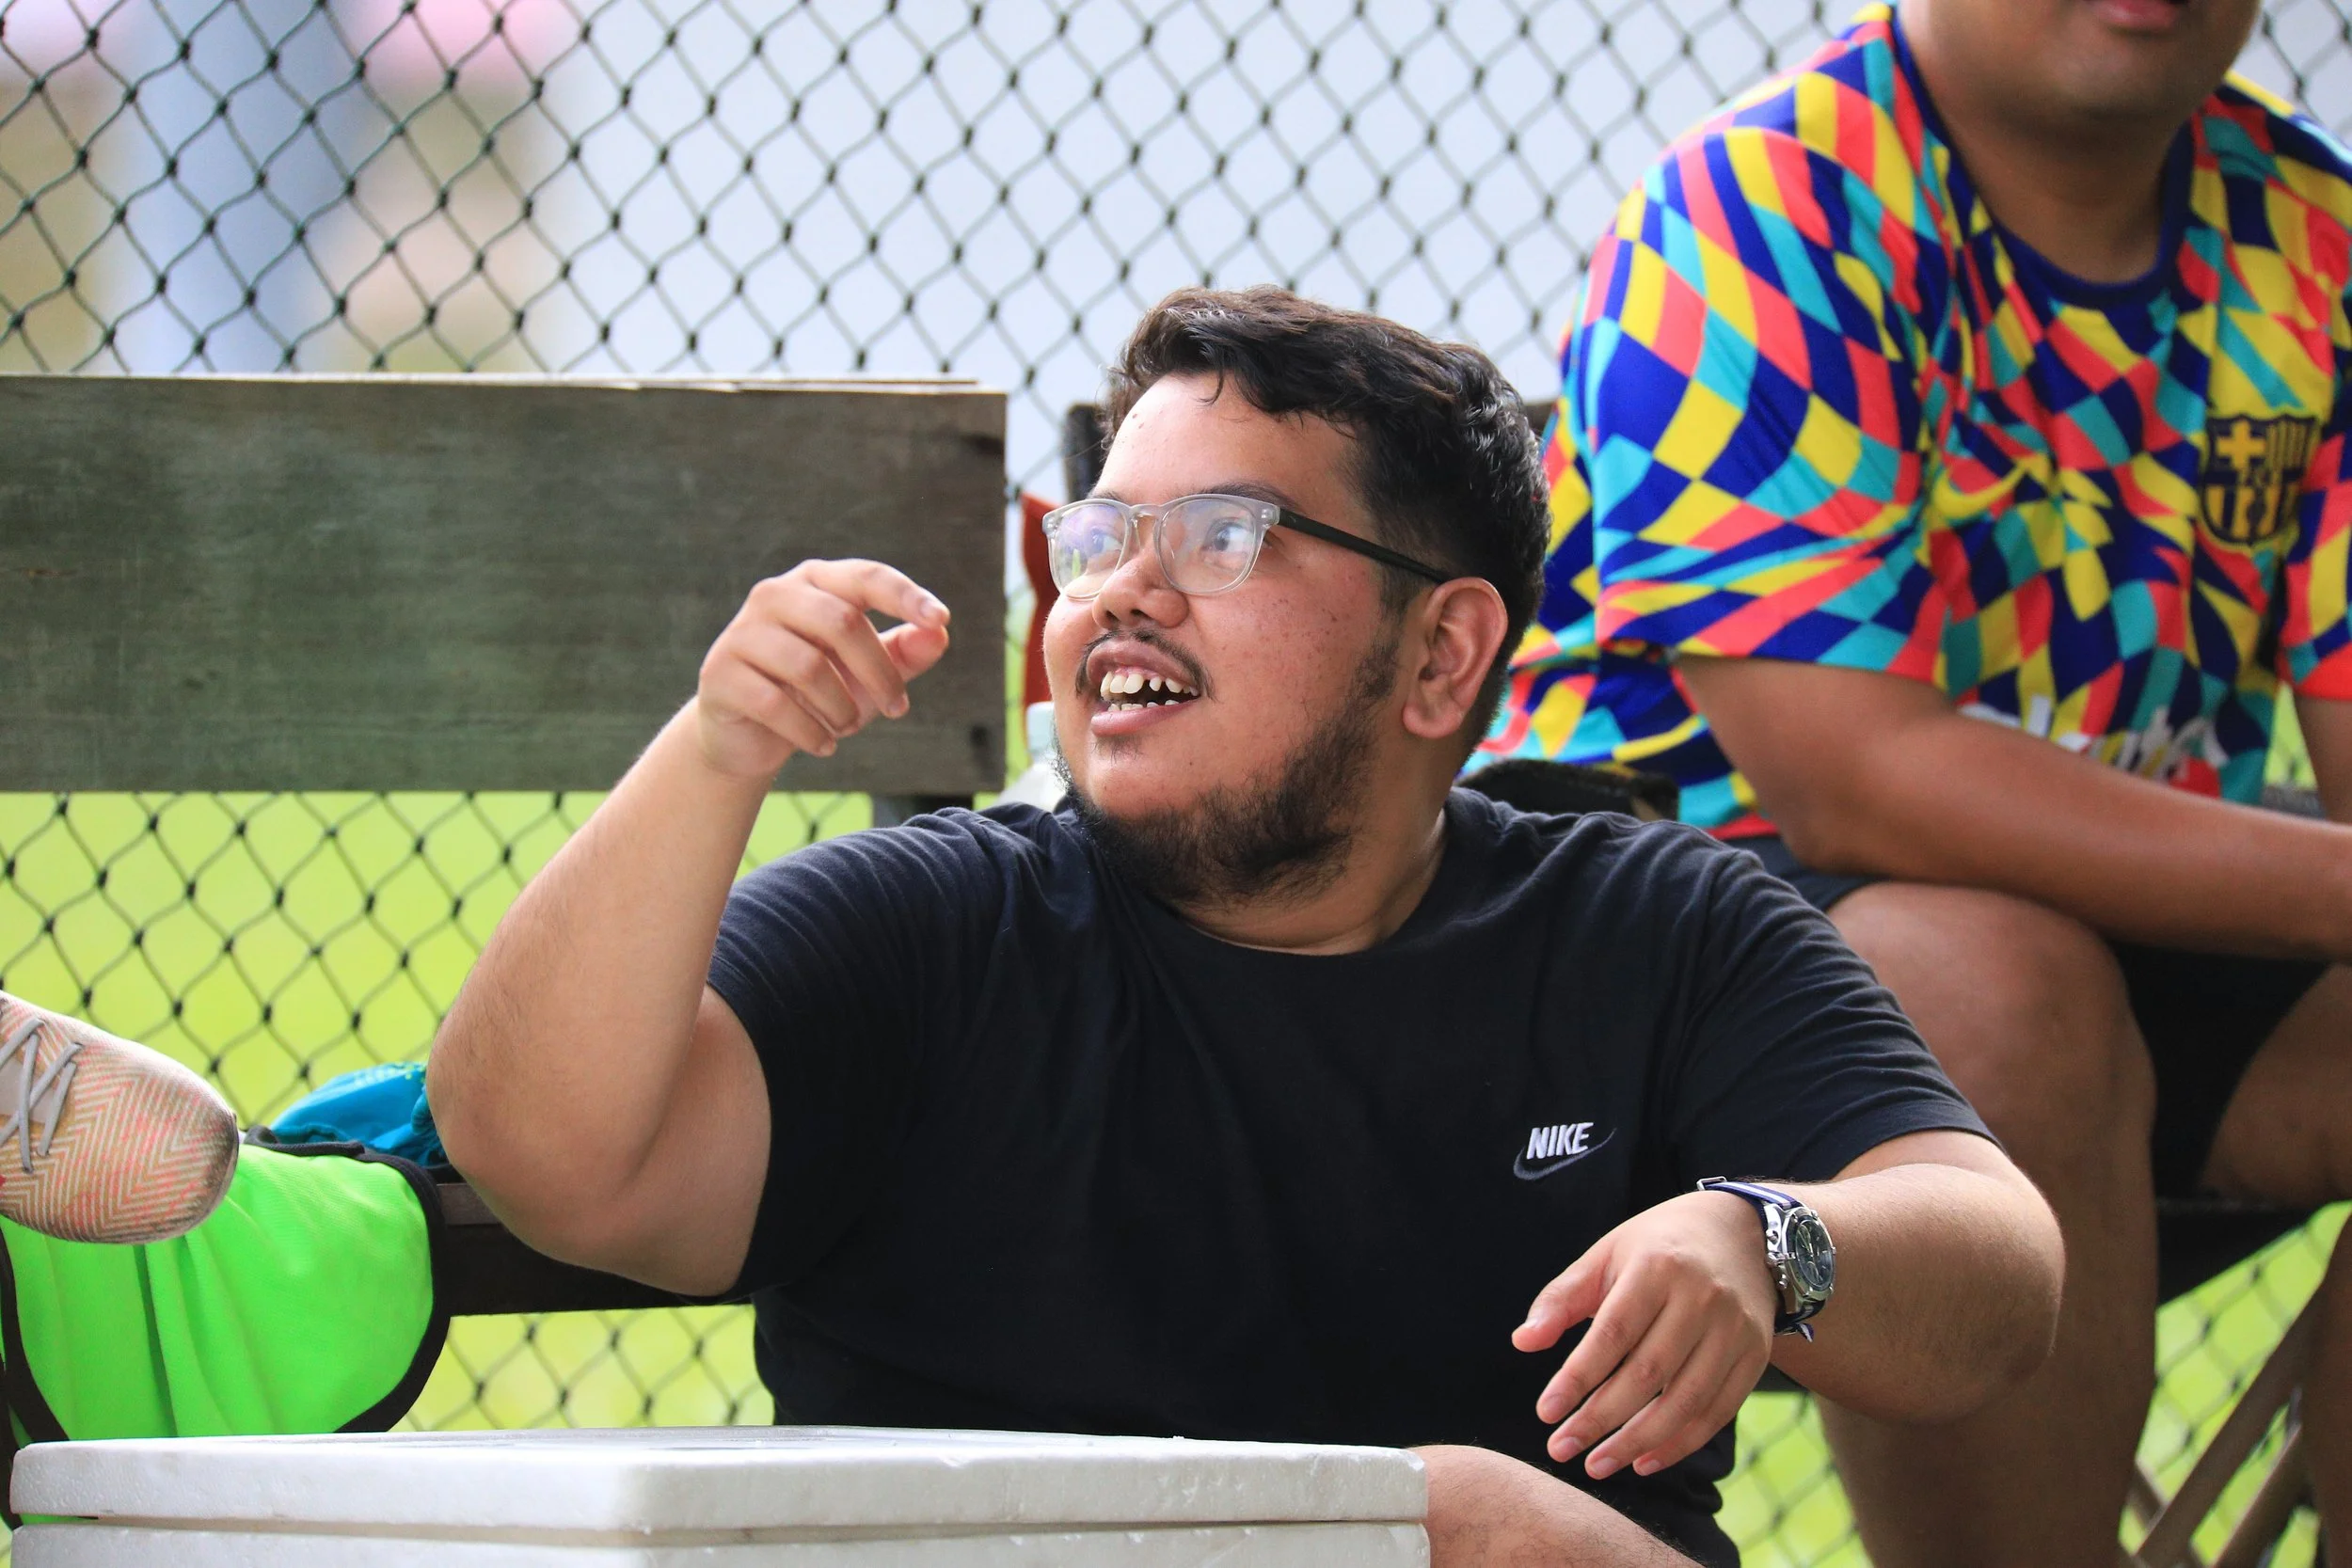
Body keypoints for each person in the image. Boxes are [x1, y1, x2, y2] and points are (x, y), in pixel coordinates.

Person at [428, 286, 2063, 1567]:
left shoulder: (1650, 925)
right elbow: (553, 1158)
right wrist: (720, 747)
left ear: (1442, 656)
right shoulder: (937, 931)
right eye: (1099, 538)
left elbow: (1999, 1279)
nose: (1122, 593)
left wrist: (1767, 1239)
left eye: (1222, 537)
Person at [1480, 0, 2352, 1561]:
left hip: (2110, 937)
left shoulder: (2315, 228)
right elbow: (1851, 780)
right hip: (1668, 957)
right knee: (1998, 985)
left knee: (2032, 973)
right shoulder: (1765, 204)